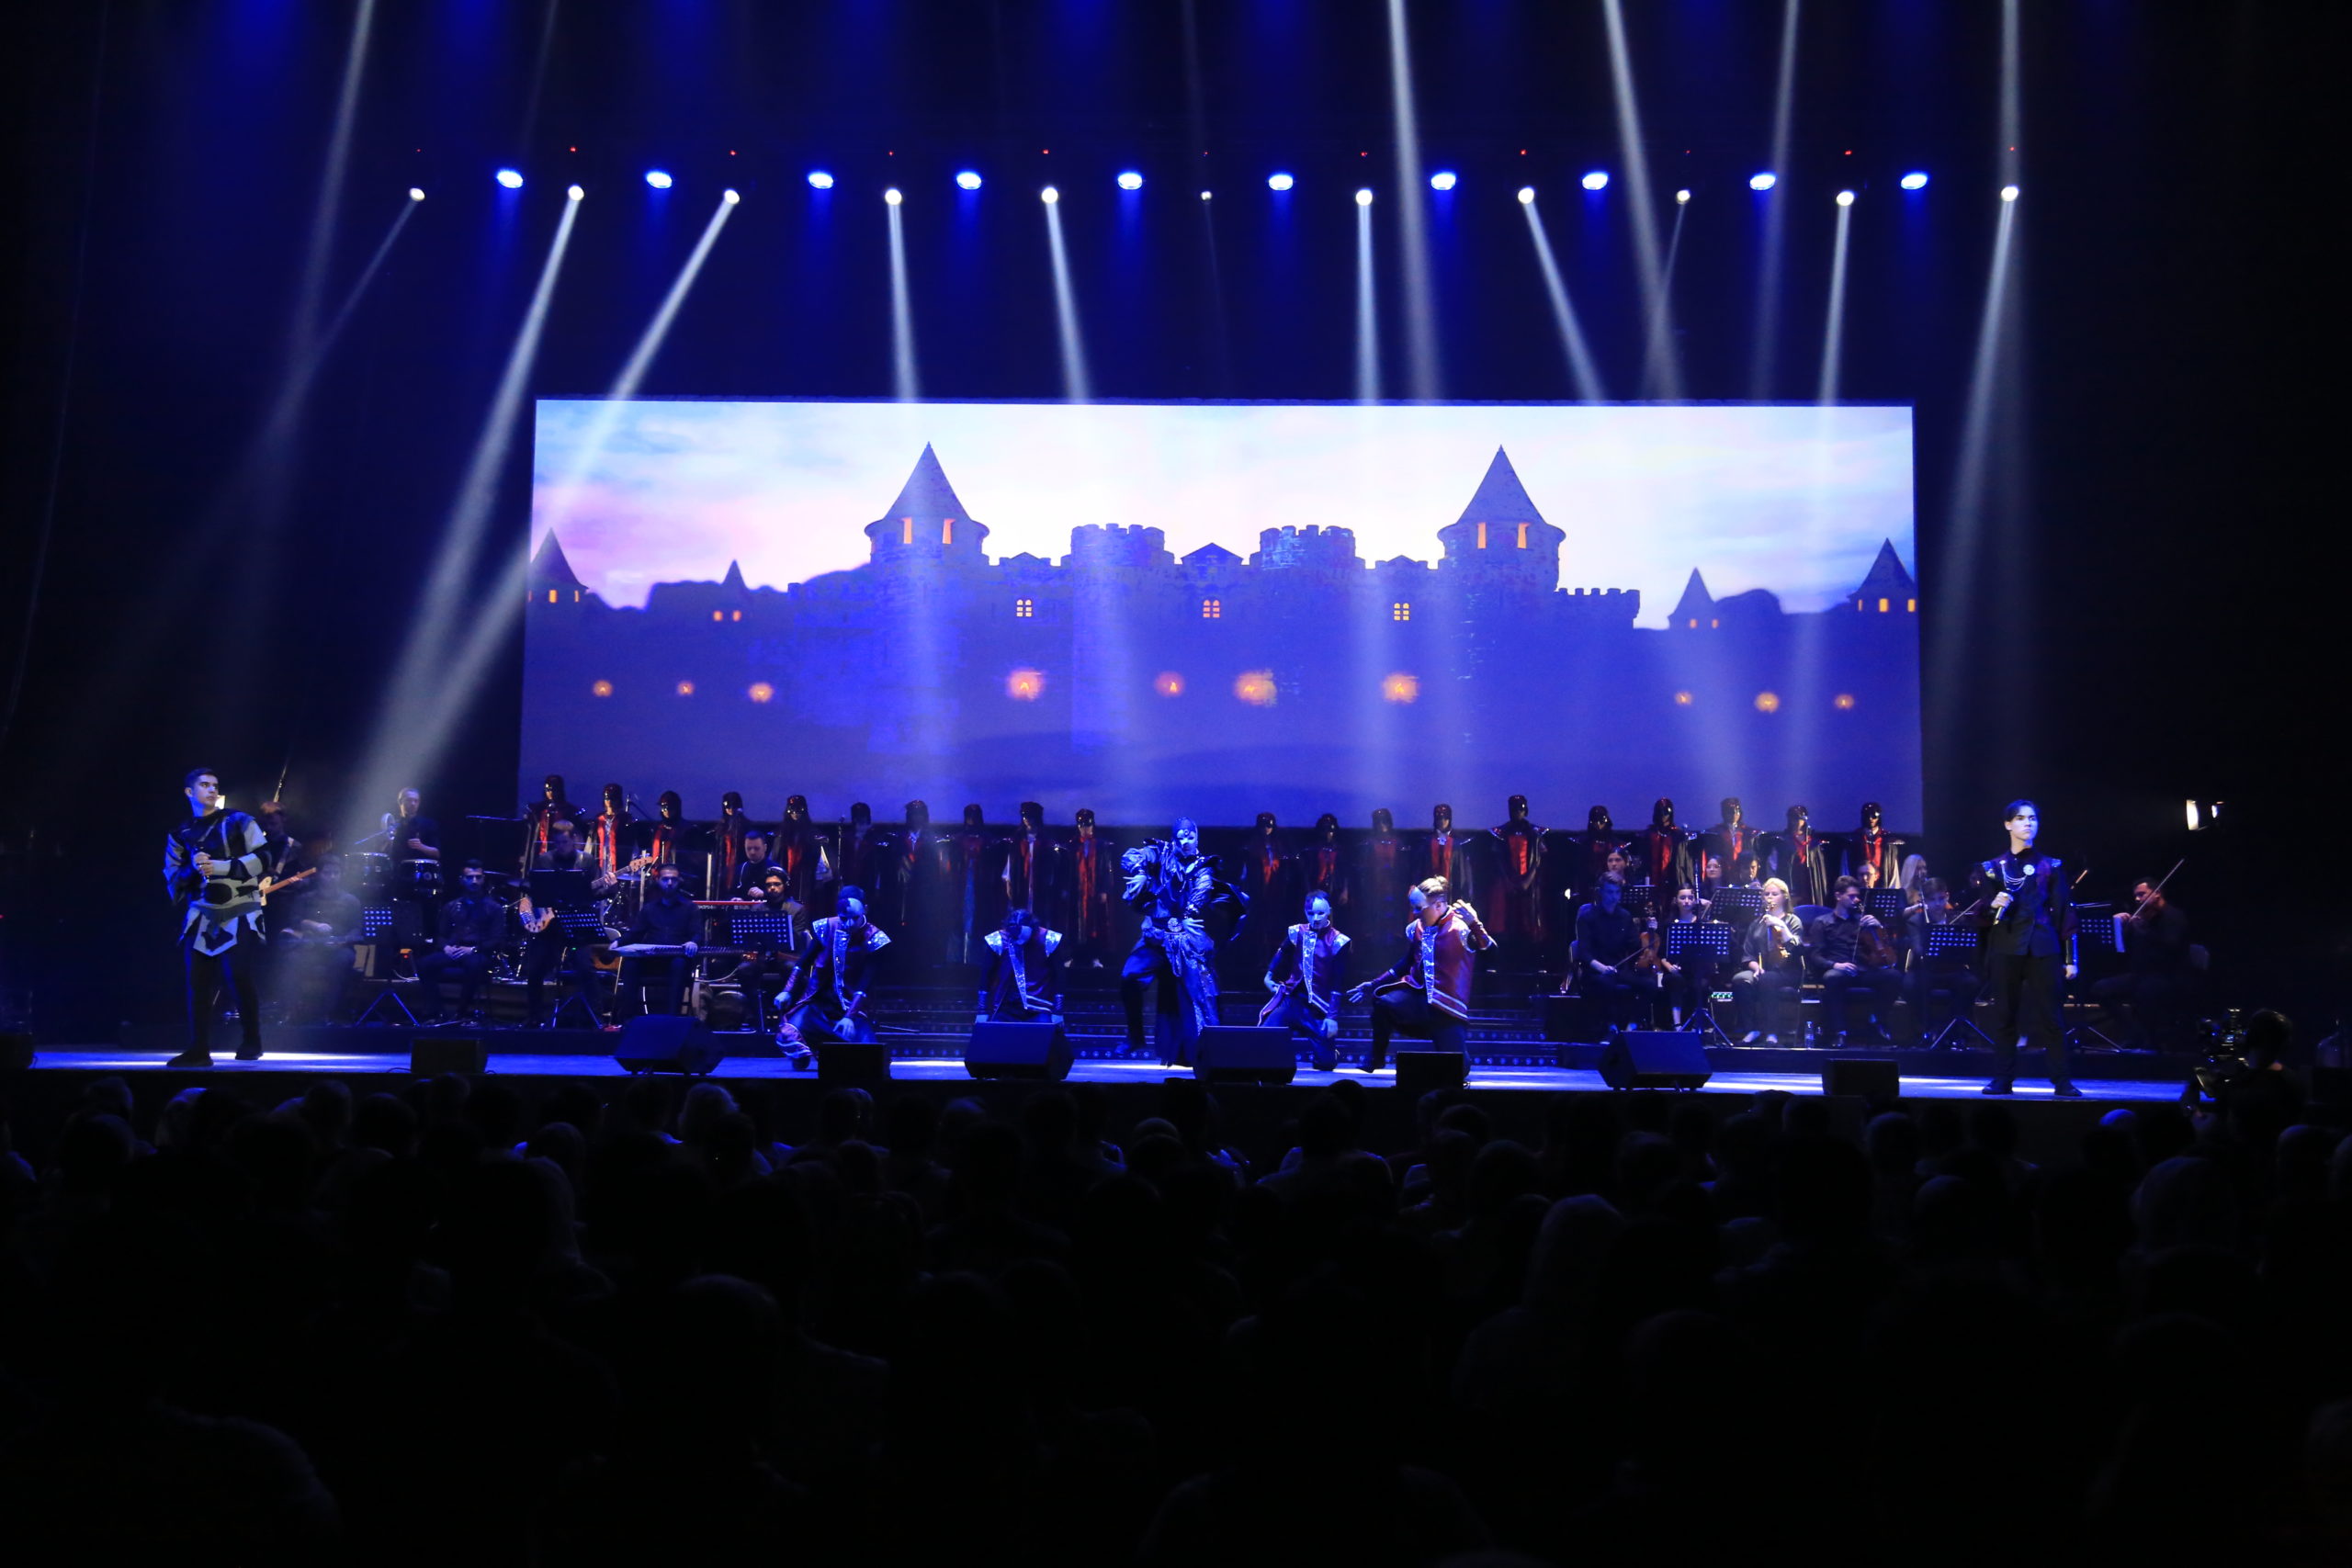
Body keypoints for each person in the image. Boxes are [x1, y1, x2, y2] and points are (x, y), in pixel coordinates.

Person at [1970, 799, 2079, 1096]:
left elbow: (2065, 912)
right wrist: (1992, 905)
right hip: (2006, 946)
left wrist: (2071, 958)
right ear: (2008, 824)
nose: (2027, 823)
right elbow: (1981, 914)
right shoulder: (1991, 868)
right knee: (2005, 1015)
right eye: (2020, 818)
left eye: (2032, 818)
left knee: (2052, 1017)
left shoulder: (2052, 866)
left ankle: (2062, 1080)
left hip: (2043, 946)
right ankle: (2002, 1079)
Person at [162, 767, 270, 1066]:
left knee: (238, 975)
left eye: (215, 785)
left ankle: (252, 1039)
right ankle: (199, 1048)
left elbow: (264, 857)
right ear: (189, 792)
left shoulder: (239, 821)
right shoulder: (180, 834)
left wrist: (221, 867)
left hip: (241, 909)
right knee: (197, 981)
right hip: (202, 914)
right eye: (205, 785)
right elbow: (173, 878)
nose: (212, 789)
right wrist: (192, 867)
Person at [1119, 821, 1238, 1064]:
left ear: (1197, 838)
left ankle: (1206, 1051)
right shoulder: (1160, 852)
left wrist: (1187, 917)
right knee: (1129, 976)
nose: (1185, 842)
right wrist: (1140, 872)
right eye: (1181, 838)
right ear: (1174, 839)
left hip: (1186, 940)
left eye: (1190, 837)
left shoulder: (1203, 866)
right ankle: (1135, 1036)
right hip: (1155, 937)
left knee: (1199, 996)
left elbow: (1201, 893)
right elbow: (1131, 856)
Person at [1347, 876, 1492, 1071]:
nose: (1414, 913)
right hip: (1418, 1000)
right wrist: (1374, 984)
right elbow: (1406, 962)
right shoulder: (1417, 928)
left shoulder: (1461, 928)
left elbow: (1492, 955)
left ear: (1438, 905)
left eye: (1419, 908)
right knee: (1382, 1003)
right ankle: (1376, 1057)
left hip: (1447, 1008)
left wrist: (1475, 925)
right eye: (1413, 908)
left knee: (1459, 1068)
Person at [775, 884, 890, 1068]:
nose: (849, 924)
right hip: (820, 1000)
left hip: (852, 1003)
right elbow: (804, 962)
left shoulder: (874, 937)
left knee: (870, 1054)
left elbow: (865, 982)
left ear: (865, 910)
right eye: (844, 918)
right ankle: (806, 1053)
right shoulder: (827, 927)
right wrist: (787, 991)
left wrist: (850, 1016)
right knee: (789, 1032)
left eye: (855, 918)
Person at [517, 819, 616, 1026]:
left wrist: (610, 888)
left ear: (574, 839)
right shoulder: (544, 860)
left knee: (586, 968)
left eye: (565, 842)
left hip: (576, 923)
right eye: (558, 843)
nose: (562, 847)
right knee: (535, 969)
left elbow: (595, 893)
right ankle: (534, 1016)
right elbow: (529, 884)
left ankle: (596, 1018)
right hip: (550, 925)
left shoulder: (586, 861)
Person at [2091, 875, 2194, 1049]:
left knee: (2145, 992)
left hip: (2169, 975)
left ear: (2157, 893)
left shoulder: (2174, 917)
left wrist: (2143, 930)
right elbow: (2123, 949)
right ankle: (2134, 1032)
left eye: (2142, 894)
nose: (2137, 899)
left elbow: (2171, 947)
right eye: (2136, 896)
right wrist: (2119, 927)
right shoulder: (2143, 918)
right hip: (2142, 975)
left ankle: (2152, 1040)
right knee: (2099, 989)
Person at [1804, 875, 1902, 1045]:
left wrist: (1878, 927)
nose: (1856, 900)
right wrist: (1836, 965)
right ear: (1838, 896)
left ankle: (1876, 1019)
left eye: (1857, 896)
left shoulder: (1862, 921)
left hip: (1863, 970)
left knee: (1894, 976)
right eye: (1851, 896)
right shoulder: (1822, 922)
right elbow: (1815, 955)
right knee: (1831, 978)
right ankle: (1840, 1031)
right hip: (1839, 970)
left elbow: (1885, 949)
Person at [1261, 892, 1351, 1072]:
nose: (1315, 918)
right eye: (1311, 913)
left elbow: (1337, 981)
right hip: (1292, 998)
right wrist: (1268, 976)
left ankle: (1329, 1051)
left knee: (1326, 1063)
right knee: (1267, 1031)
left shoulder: (1338, 941)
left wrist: (1332, 1017)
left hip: (1318, 1007)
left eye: (1320, 913)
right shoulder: (1297, 932)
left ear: (1329, 911)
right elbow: (1282, 951)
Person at [414, 860, 508, 1024]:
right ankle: (436, 1011)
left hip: (478, 951)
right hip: (454, 950)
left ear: (483, 879)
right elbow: (440, 934)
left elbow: (496, 939)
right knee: (424, 964)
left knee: (474, 965)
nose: (474, 881)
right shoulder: (451, 906)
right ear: (462, 880)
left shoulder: (494, 908)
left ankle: (461, 1013)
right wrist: (446, 947)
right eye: (470, 877)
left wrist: (472, 950)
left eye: (478, 877)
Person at [276, 855, 365, 1023]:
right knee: (290, 959)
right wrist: (312, 924)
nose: (332, 877)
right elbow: (294, 920)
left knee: (343, 960)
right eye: (327, 873)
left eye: (336, 873)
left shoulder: (351, 901)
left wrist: (342, 941)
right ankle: (290, 1010)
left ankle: (330, 1013)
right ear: (318, 874)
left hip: (338, 948)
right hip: (309, 947)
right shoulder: (305, 898)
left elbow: (357, 928)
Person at [613, 863, 701, 1020]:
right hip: (652, 960)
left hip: (676, 959)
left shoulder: (690, 908)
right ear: (658, 881)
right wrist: (618, 942)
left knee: (679, 963)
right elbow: (635, 933)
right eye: (665, 879)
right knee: (631, 963)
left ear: (680, 881)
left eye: (673, 879)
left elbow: (698, 934)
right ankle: (628, 1019)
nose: (669, 883)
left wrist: (693, 942)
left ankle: (672, 1019)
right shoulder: (649, 908)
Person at [1568, 874, 1652, 1033]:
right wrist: (1602, 968)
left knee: (1650, 985)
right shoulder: (1587, 917)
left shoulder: (1625, 916)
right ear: (1601, 892)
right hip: (1595, 971)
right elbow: (1584, 953)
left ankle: (1631, 1026)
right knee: (1606, 984)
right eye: (1610, 892)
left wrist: (1648, 931)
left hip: (1618, 970)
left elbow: (1634, 946)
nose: (1614, 897)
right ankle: (1610, 1026)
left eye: (1617, 892)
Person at [1903, 877, 1982, 1040]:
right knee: (1909, 985)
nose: (1938, 904)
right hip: (1925, 969)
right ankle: (1926, 1026)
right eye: (1932, 900)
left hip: (1952, 969)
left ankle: (1946, 1026)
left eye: (1941, 898)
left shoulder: (1959, 919)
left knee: (1971, 983)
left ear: (1947, 896)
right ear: (1925, 901)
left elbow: (1969, 950)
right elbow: (1918, 950)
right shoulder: (1915, 921)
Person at [1731, 877, 1805, 1043]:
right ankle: (1752, 1029)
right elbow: (1748, 954)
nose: (1770, 897)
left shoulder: (1792, 920)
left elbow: (1798, 949)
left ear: (1784, 897)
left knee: (1768, 979)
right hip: (1763, 969)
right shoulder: (1757, 923)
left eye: (1774, 894)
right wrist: (1756, 968)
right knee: (1740, 980)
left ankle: (1772, 1032)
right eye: (1766, 894)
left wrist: (1781, 926)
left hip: (1787, 971)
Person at [729, 869, 801, 1032]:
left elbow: (797, 939)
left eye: (777, 884)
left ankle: (788, 1016)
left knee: (792, 969)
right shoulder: (757, 908)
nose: (772, 888)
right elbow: (749, 938)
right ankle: (756, 1013)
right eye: (769, 885)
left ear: (784, 886)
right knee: (744, 968)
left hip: (785, 955)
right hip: (761, 955)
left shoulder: (797, 909)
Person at [1484, 795, 1549, 949]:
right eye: (1514, 809)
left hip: (1529, 883)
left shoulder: (1534, 832)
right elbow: (1498, 859)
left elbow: (1539, 858)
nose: (1517, 812)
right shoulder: (1501, 832)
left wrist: (1528, 880)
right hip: (1507, 883)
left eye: (1520, 809)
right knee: (1507, 919)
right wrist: (1508, 881)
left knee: (1529, 918)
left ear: (1525, 810)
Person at [980, 907, 1063, 1022]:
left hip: (1039, 1006)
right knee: (995, 1029)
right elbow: (986, 975)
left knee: (1046, 1028)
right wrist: (982, 1010)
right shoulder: (998, 940)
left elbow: (1059, 976)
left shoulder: (1048, 939)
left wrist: (1058, 1010)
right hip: (1006, 1006)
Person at [1656, 884, 1719, 1028]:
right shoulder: (1668, 924)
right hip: (1675, 971)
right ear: (1676, 900)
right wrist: (1670, 967)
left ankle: (1698, 1025)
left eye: (1690, 898)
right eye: (1682, 898)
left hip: (1696, 970)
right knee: (1675, 980)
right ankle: (1677, 1024)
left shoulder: (1701, 923)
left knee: (1702, 984)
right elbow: (1662, 954)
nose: (1687, 901)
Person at [1761, 804, 1832, 907]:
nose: (1796, 822)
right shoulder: (1782, 842)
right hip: (1791, 881)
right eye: (1793, 819)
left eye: (1799, 819)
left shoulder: (1813, 842)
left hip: (1809, 881)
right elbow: (1773, 865)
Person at [1632, 797, 1696, 897]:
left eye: (1666, 813)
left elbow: (1684, 863)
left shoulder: (1678, 835)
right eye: (1660, 813)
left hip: (1673, 880)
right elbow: (1642, 862)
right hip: (1651, 879)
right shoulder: (1647, 835)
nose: (1663, 817)